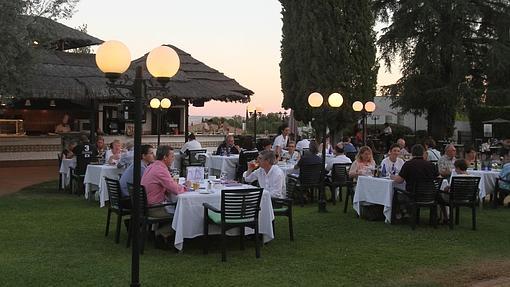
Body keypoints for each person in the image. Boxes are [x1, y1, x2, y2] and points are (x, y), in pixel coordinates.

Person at [141, 145, 189, 240]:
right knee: (184, 213)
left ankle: (159, 232)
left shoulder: (152, 166)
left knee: (178, 208)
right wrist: (186, 187)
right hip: (154, 208)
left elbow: (168, 186)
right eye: (172, 156)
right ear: (165, 157)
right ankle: (161, 233)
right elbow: (175, 190)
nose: (173, 159)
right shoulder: (160, 170)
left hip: (145, 205)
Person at [391, 144, 439, 220]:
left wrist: (392, 177)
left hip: (413, 195)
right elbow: (438, 178)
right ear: (423, 153)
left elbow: (399, 180)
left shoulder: (408, 164)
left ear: (412, 154)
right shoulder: (431, 165)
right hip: (430, 195)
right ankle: (407, 213)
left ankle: (400, 214)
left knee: (396, 194)